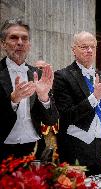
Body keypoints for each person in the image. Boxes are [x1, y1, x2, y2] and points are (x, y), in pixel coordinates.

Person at [52, 31, 101, 175]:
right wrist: (95, 97)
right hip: (75, 145)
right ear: (74, 50)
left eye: (93, 47)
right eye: (84, 47)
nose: (89, 50)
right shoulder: (62, 76)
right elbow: (66, 115)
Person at [0, 18, 58, 161]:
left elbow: (51, 120)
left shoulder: (37, 74)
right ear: (3, 44)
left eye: (24, 38)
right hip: (4, 152)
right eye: (13, 38)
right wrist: (13, 101)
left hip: (35, 150)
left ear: (29, 45)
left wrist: (44, 98)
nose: (20, 42)